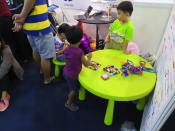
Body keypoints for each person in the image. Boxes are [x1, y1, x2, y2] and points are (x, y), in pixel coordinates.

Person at [12, 0, 61, 84]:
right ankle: (47, 79)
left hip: (29, 27)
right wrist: (23, 16)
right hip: (40, 27)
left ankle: (42, 70)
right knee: (45, 56)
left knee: (36, 50)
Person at [63, 26, 92, 111]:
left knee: (71, 85)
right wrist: (90, 57)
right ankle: (68, 103)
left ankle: (71, 91)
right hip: (73, 75)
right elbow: (86, 64)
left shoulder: (67, 48)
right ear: (80, 41)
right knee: (75, 89)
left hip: (66, 72)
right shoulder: (80, 52)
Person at [0, 35, 24, 111]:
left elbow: (5, 67)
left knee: (4, 72)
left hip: (10, 71)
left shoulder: (6, 50)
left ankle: (5, 95)